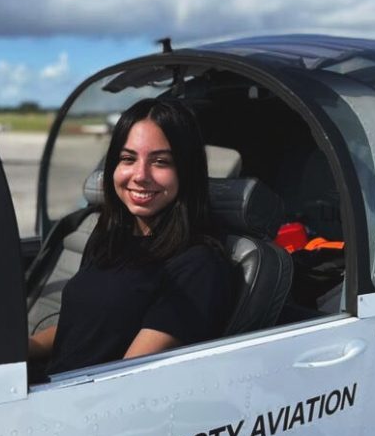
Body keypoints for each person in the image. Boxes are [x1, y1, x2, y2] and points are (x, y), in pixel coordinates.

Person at [29, 97, 235, 373]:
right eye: (128, 159)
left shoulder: (197, 265)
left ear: (187, 172)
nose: (140, 175)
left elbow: (126, 378)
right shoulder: (109, 235)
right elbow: (84, 323)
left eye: (160, 161)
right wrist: (27, 347)